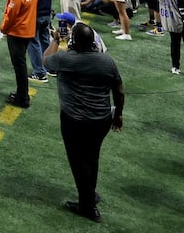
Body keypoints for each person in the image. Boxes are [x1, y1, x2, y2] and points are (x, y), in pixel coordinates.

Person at [45, 21, 124, 222]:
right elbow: (119, 89)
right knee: (92, 158)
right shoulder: (107, 61)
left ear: (74, 41)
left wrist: (55, 40)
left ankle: (87, 205)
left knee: (78, 161)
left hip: (75, 120)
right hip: (102, 119)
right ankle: (90, 194)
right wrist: (119, 114)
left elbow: (45, 60)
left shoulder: (65, 59)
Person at [0, 0, 38, 108]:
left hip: (17, 33)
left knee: (19, 66)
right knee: (20, 64)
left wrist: (3, 29)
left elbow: (11, 16)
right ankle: (22, 94)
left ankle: (22, 98)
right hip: (27, 32)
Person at [24, 0, 55, 82]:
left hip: (36, 15)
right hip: (46, 13)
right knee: (45, 41)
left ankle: (39, 72)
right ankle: (50, 67)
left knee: (33, 43)